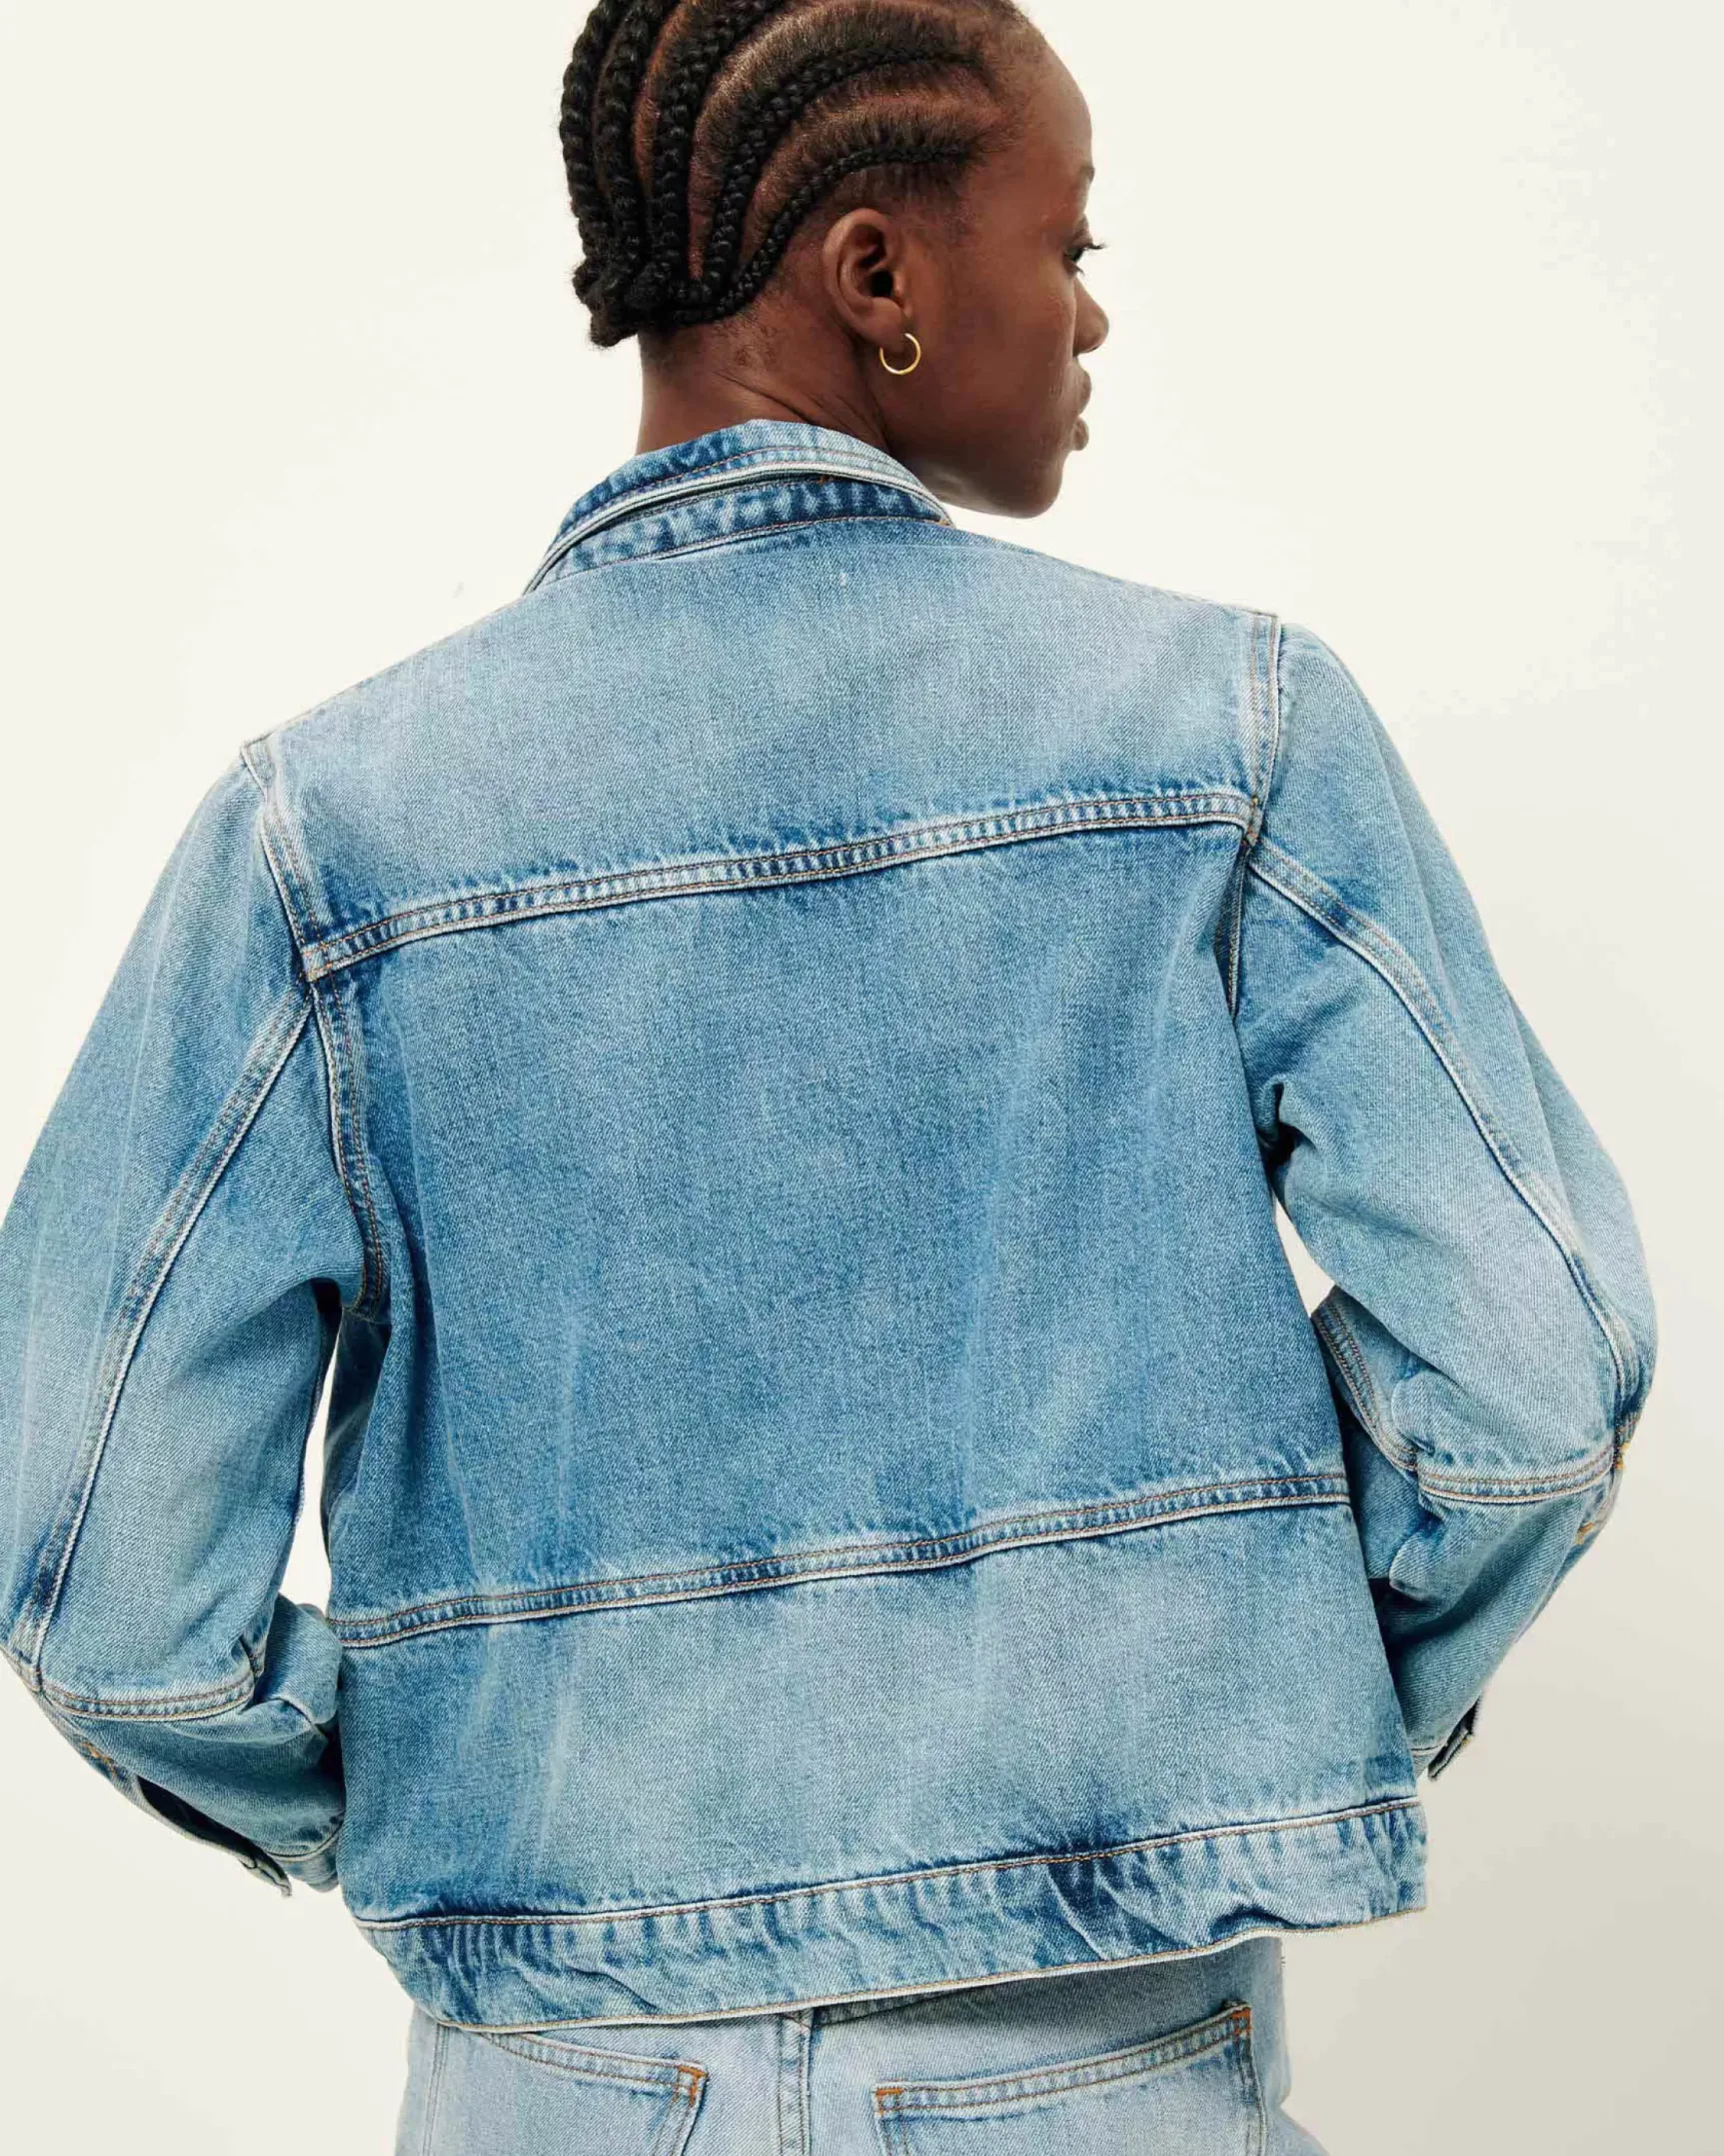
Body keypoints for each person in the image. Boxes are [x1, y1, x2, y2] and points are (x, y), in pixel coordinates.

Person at [0, 3, 1655, 2150]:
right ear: (879, 275)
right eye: (1067, 243)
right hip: (1095, 2061)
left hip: (563, 2077)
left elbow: (103, 1579)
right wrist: (1247, 1689)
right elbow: (1531, 1389)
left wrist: (456, 1784)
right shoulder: (1221, 734)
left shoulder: (329, 832)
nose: (1091, 310)